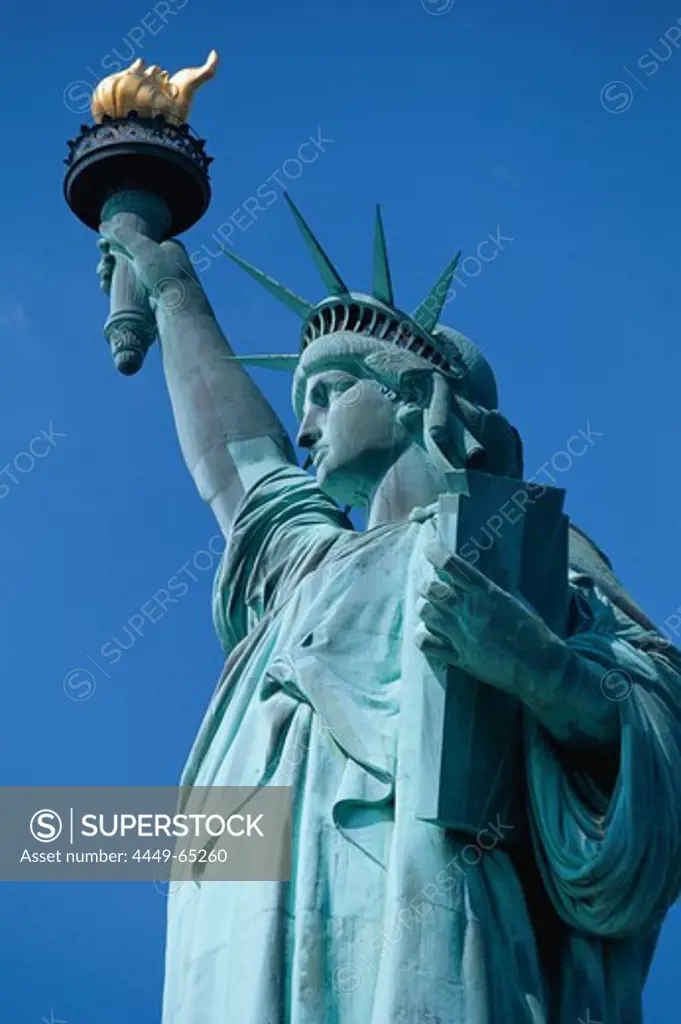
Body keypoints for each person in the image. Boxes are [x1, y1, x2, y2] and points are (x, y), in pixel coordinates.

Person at [98, 199, 681, 1024]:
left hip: (436, 905)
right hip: (243, 924)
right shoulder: (308, 562)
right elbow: (243, 466)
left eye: (328, 392)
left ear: (413, 395)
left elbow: (659, 717)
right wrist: (170, 286)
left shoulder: (518, 549)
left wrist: (540, 670)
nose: (303, 427)